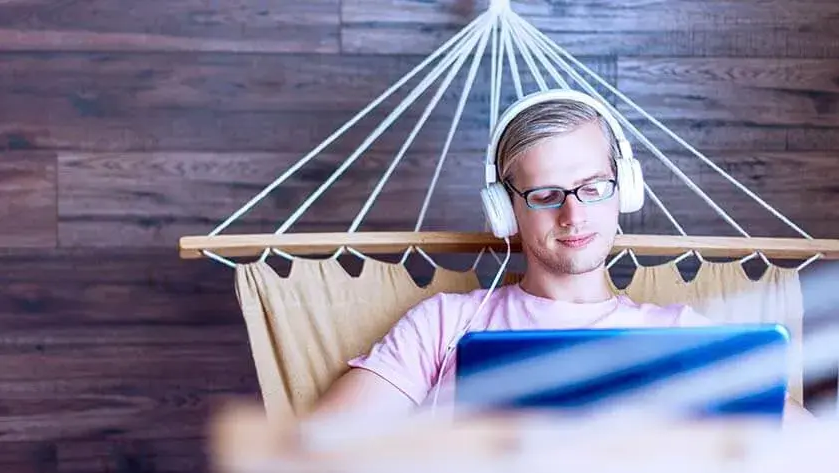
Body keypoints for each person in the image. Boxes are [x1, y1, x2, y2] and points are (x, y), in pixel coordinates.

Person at [309, 89, 812, 424]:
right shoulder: (444, 325)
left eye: (593, 188)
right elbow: (313, 455)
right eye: (546, 195)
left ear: (625, 191)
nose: (573, 215)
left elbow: (812, 455)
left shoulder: (686, 336)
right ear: (506, 211)